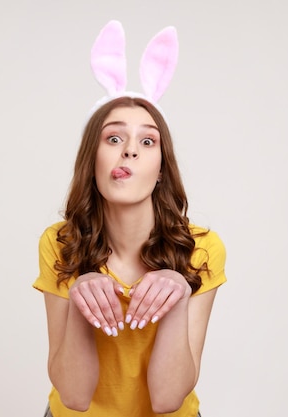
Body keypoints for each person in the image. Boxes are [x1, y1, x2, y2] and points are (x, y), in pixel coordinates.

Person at [33, 21, 227, 417]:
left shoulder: (203, 248)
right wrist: (79, 299)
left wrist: (177, 294)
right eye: (114, 138)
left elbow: (167, 399)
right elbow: (73, 395)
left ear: (160, 169)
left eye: (147, 141)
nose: (130, 152)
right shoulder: (59, 243)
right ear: (93, 160)